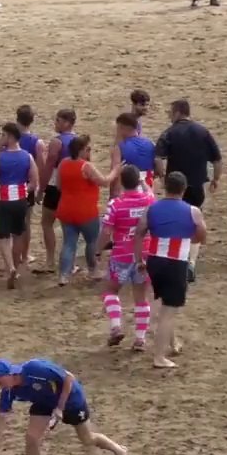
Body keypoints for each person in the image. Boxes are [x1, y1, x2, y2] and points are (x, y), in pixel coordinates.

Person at [0, 358, 128, 455]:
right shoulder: (8, 392)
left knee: (87, 439)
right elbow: (0, 422)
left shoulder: (35, 368)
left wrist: (60, 407)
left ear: (10, 374)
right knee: (31, 438)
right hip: (44, 401)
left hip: (70, 399)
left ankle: (119, 451)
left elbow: (68, 378)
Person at [133, 171, 208, 369]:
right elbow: (201, 236)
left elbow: (139, 233)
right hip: (175, 262)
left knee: (165, 303)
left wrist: (139, 259)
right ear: (184, 189)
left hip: (155, 261)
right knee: (169, 311)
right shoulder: (192, 211)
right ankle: (159, 357)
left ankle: (173, 342)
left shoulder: (152, 208)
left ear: (166, 187)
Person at [154, 99, 221, 282]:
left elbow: (158, 157)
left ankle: (176, 260)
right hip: (197, 185)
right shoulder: (202, 131)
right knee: (194, 221)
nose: (169, 115)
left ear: (177, 112)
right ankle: (190, 262)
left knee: (175, 222)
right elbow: (216, 159)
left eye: (170, 111)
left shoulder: (169, 132)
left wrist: (161, 176)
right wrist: (216, 179)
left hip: (175, 187)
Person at [96, 165, 155, 349]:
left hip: (121, 254)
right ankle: (140, 339)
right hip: (143, 256)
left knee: (110, 291)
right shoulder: (149, 200)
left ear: (121, 182)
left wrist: (98, 250)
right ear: (138, 181)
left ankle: (115, 327)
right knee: (141, 297)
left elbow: (106, 231)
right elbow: (151, 192)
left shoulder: (116, 204)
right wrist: (144, 183)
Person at [55, 135, 117, 285]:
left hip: (66, 208)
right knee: (91, 241)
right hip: (85, 211)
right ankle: (93, 270)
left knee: (69, 243)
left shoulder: (63, 163)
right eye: (87, 149)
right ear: (81, 150)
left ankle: (64, 275)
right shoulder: (86, 166)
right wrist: (116, 169)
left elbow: (58, 185)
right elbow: (104, 181)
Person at [0, 123, 38, 287]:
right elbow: (34, 182)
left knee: (3, 237)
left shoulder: (0, 157)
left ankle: (10, 266)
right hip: (20, 200)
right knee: (18, 234)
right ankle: (16, 268)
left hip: (4, 200)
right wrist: (22, 190)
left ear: (10, 137)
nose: (1, 138)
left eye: (3, 135)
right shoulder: (27, 156)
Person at [37, 108, 78, 272]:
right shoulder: (78, 142)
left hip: (55, 186)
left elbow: (48, 166)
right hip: (73, 187)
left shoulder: (57, 142)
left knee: (47, 222)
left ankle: (50, 261)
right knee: (69, 226)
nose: (56, 123)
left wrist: (42, 188)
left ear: (66, 123)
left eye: (58, 121)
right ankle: (71, 263)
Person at [14, 105, 42, 268]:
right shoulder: (35, 142)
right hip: (27, 186)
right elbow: (37, 167)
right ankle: (24, 255)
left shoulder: (10, 138)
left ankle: (11, 254)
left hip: (9, 184)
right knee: (26, 222)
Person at [111, 111, 156, 197]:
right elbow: (157, 168)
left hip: (129, 191)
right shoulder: (151, 144)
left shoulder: (120, 147)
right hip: (147, 189)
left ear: (122, 127)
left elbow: (115, 174)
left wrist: (113, 195)